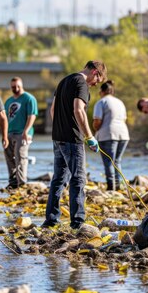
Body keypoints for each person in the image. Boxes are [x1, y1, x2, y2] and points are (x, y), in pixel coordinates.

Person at [42, 60, 107, 229]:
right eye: (97, 81)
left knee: (58, 180)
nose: (94, 85)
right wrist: (89, 136)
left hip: (58, 138)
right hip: (72, 139)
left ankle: (51, 220)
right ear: (95, 72)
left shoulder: (64, 81)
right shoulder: (82, 83)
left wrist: (59, 127)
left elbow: (53, 110)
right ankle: (77, 222)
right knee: (78, 179)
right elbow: (78, 110)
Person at [92, 80, 130, 191]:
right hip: (123, 134)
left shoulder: (101, 102)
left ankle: (111, 187)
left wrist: (94, 130)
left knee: (109, 162)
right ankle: (119, 186)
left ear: (102, 91)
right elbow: (124, 118)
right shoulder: (120, 102)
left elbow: (97, 121)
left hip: (108, 135)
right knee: (117, 161)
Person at [3, 77, 38, 190]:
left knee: (20, 157)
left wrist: (26, 131)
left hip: (23, 134)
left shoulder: (29, 98)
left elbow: (32, 116)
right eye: (13, 87)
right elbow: (5, 118)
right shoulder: (8, 101)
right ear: (11, 87)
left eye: (18, 86)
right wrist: (4, 135)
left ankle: (22, 184)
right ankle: (13, 182)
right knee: (9, 158)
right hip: (10, 133)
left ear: (22, 85)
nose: (16, 88)